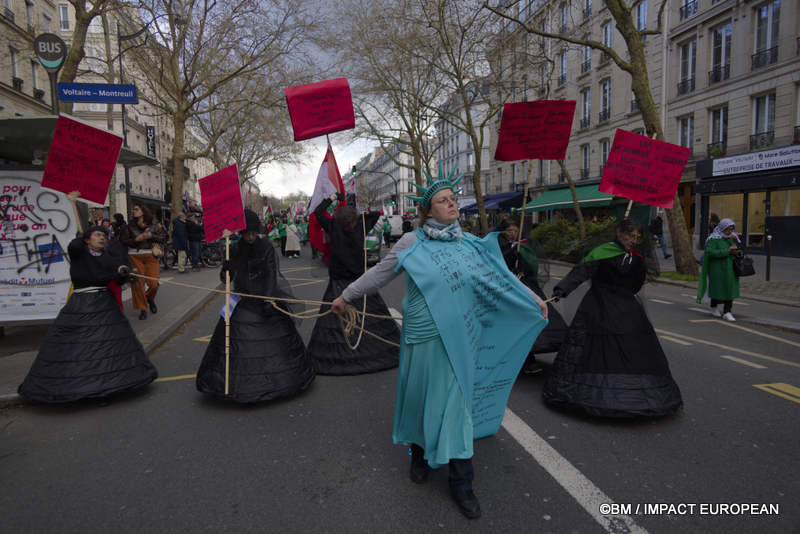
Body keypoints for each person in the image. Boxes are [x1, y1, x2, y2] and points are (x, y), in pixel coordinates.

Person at [330, 166, 547, 519]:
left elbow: (500, 277)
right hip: (421, 336)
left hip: (461, 336)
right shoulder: (410, 243)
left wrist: (532, 298)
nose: (452, 205)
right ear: (428, 210)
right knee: (419, 399)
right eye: (443, 201)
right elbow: (379, 274)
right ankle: (419, 456)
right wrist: (346, 296)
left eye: (453, 200)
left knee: (456, 407)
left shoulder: (470, 243)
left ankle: (462, 483)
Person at [19, 199, 157, 402]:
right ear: (87, 239)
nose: (102, 238)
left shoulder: (107, 256)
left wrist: (124, 273)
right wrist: (78, 218)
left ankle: (111, 385)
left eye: (104, 235)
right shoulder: (79, 252)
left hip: (104, 302)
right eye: (97, 235)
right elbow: (74, 245)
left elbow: (115, 277)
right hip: (81, 303)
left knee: (108, 345)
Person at [542, 218, 683, 418]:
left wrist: (636, 265)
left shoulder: (636, 257)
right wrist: (561, 290)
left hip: (625, 306)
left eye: (636, 237)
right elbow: (581, 272)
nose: (633, 240)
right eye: (629, 236)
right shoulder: (603, 251)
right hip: (598, 305)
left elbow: (635, 285)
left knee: (628, 348)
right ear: (619, 232)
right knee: (596, 345)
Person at [196, 210, 314, 403]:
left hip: (264, 299)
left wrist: (268, 299)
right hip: (242, 300)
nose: (251, 236)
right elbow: (227, 278)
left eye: (253, 232)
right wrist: (226, 269)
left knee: (272, 341)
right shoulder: (234, 248)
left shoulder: (266, 247)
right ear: (241, 232)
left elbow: (270, 274)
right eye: (247, 233)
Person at [307, 192, 400, 375]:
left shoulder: (333, 225)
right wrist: (356, 210)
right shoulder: (361, 225)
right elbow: (375, 213)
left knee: (338, 319)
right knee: (366, 317)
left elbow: (318, 213)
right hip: (358, 280)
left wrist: (333, 198)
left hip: (343, 280)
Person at [494, 218, 568, 375]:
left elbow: (532, 267)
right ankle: (523, 359)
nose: (512, 234)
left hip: (526, 287)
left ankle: (536, 354)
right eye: (509, 231)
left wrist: (520, 258)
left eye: (515, 231)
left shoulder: (524, 245)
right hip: (506, 289)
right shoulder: (497, 246)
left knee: (537, 316)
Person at [119, 203, 167, 320]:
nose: (133, 211)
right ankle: (142, 308)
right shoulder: (129, 226)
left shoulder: (154, 224)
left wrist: (151, 236)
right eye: (133, 209)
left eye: (136, 209)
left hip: (151, 255)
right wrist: (136, 239)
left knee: (154, 284)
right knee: (137, 284)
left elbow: (165, 237)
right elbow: (123, 241)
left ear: (143, 211)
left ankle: (149, 299)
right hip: (134, 256)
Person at [697, 218, 742, 322]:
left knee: (729, 290)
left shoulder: (733, 238)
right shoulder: (713, 239)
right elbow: (710, 253)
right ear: (722, 228)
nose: (730, 231)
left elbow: (741, 252)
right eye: (728, 229)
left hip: (731, 270)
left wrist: (738, 253)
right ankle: (713, 307)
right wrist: (727, 251)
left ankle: (727, 311)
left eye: (732, 229)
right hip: (717, 270)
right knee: (717, 289)